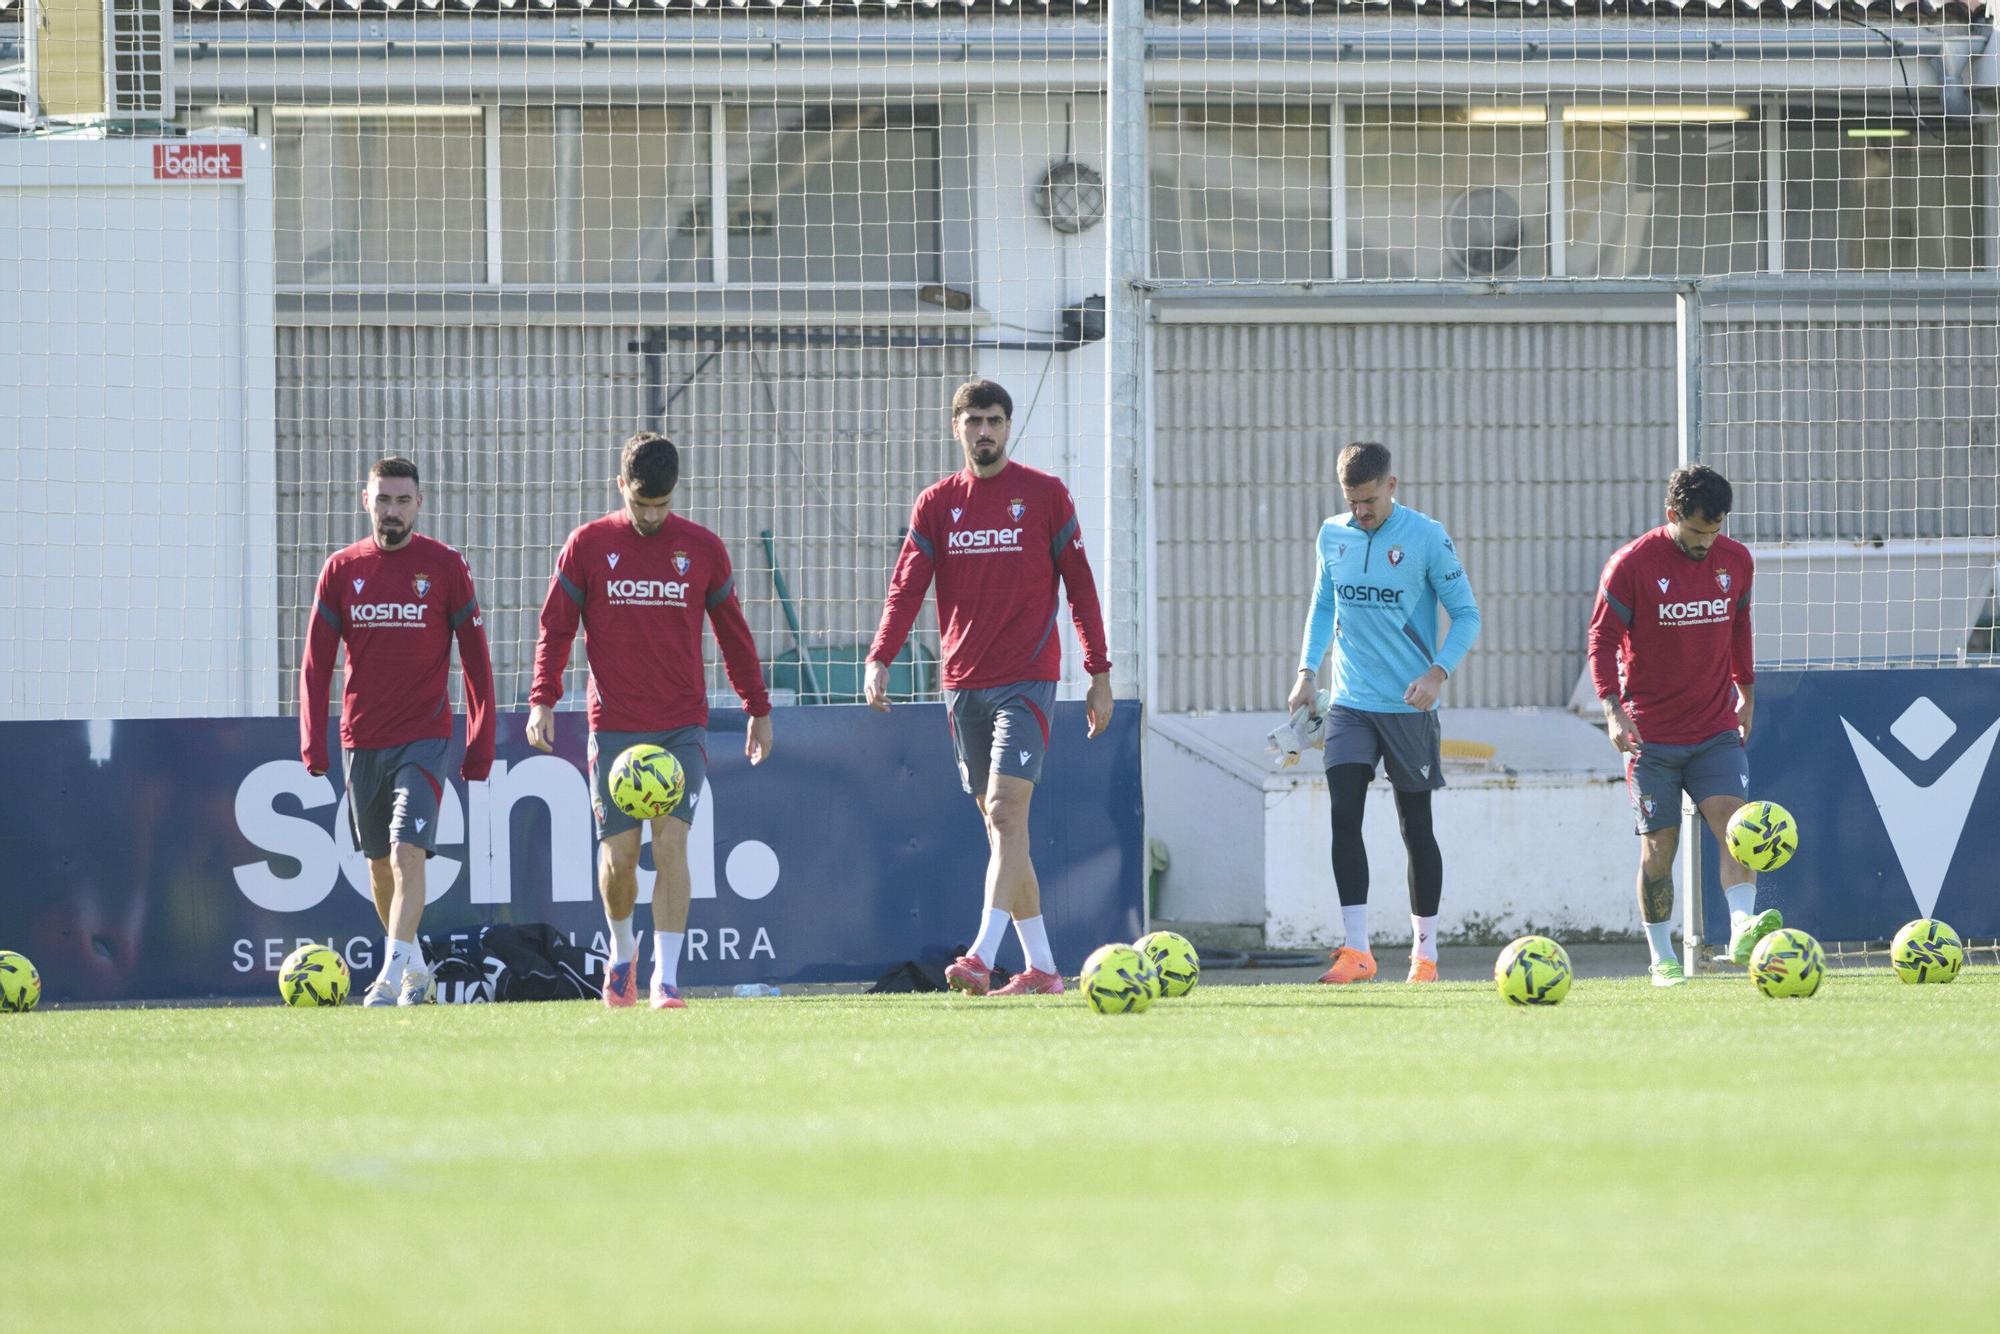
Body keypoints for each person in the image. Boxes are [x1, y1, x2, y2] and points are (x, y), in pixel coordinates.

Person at [865, 379, 1113, 997]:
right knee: (1004, 830)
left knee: (1006, 811)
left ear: (1008, 427)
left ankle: (979, 954)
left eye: (995, 420)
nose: (985, 431)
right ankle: (1045, 969)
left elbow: (1080, 587)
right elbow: (906, 589)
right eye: (974, 420)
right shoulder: (936, 504)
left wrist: (1099, 673)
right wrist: (880, 656)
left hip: (1026, 680)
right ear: (957, 428)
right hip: (962, 684)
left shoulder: (1045, 496)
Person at [527, 432, 772, 1011]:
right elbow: (556, 627)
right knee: (617, 859)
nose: (652, 516)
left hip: (680, 725)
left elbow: (733, 634)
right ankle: (621, 953)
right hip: (613, 726)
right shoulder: (587, 546)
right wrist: (543, 697)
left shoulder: (703, 549)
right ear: (621, 487)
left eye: (662, 505)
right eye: (641, 505)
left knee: (672, 847)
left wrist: (757, 708)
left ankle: (666, 978)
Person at [300, 456, 496, 1006]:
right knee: (379, 867)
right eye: (382, 499)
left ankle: (388, 977)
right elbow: (316, 664)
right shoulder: (342, 570)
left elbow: (477, 663)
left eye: (402, 500)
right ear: (366, 501)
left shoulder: (445, 566)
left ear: (420, 504)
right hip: (362, 739)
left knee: (407, 850)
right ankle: (414, 968)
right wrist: (313, 741)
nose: (392, 510)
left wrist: (479, 744)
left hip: (425, 737)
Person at [1289, 442, 1481, 985]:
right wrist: (1307, 672)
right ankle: (1357, 951)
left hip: (1408, 706)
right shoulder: (1333, 534)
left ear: (1391, 486)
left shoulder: (1426, 537)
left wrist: (1437, 672)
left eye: (1369, 500)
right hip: (1350, 702)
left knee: (1414, 827)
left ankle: (1425, 956)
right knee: (1344, 814)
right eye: (1352, 501)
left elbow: (1466, 615)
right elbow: (1323, 604)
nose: (1361, 511)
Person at [1587, 463, 1779, 987]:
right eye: (1697, 533)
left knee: (1735, 824)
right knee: (1659, 847)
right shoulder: (1630, 565)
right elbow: (1601, 641)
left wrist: (1747, 690)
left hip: (1715, 725)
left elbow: (1740, 623)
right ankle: (1660, 956)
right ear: (1672, 515)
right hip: (1651, 735)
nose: (1706, 543)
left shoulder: (1736, 561)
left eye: (1715, 532)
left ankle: (1741, 926)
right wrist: (1612, 709)